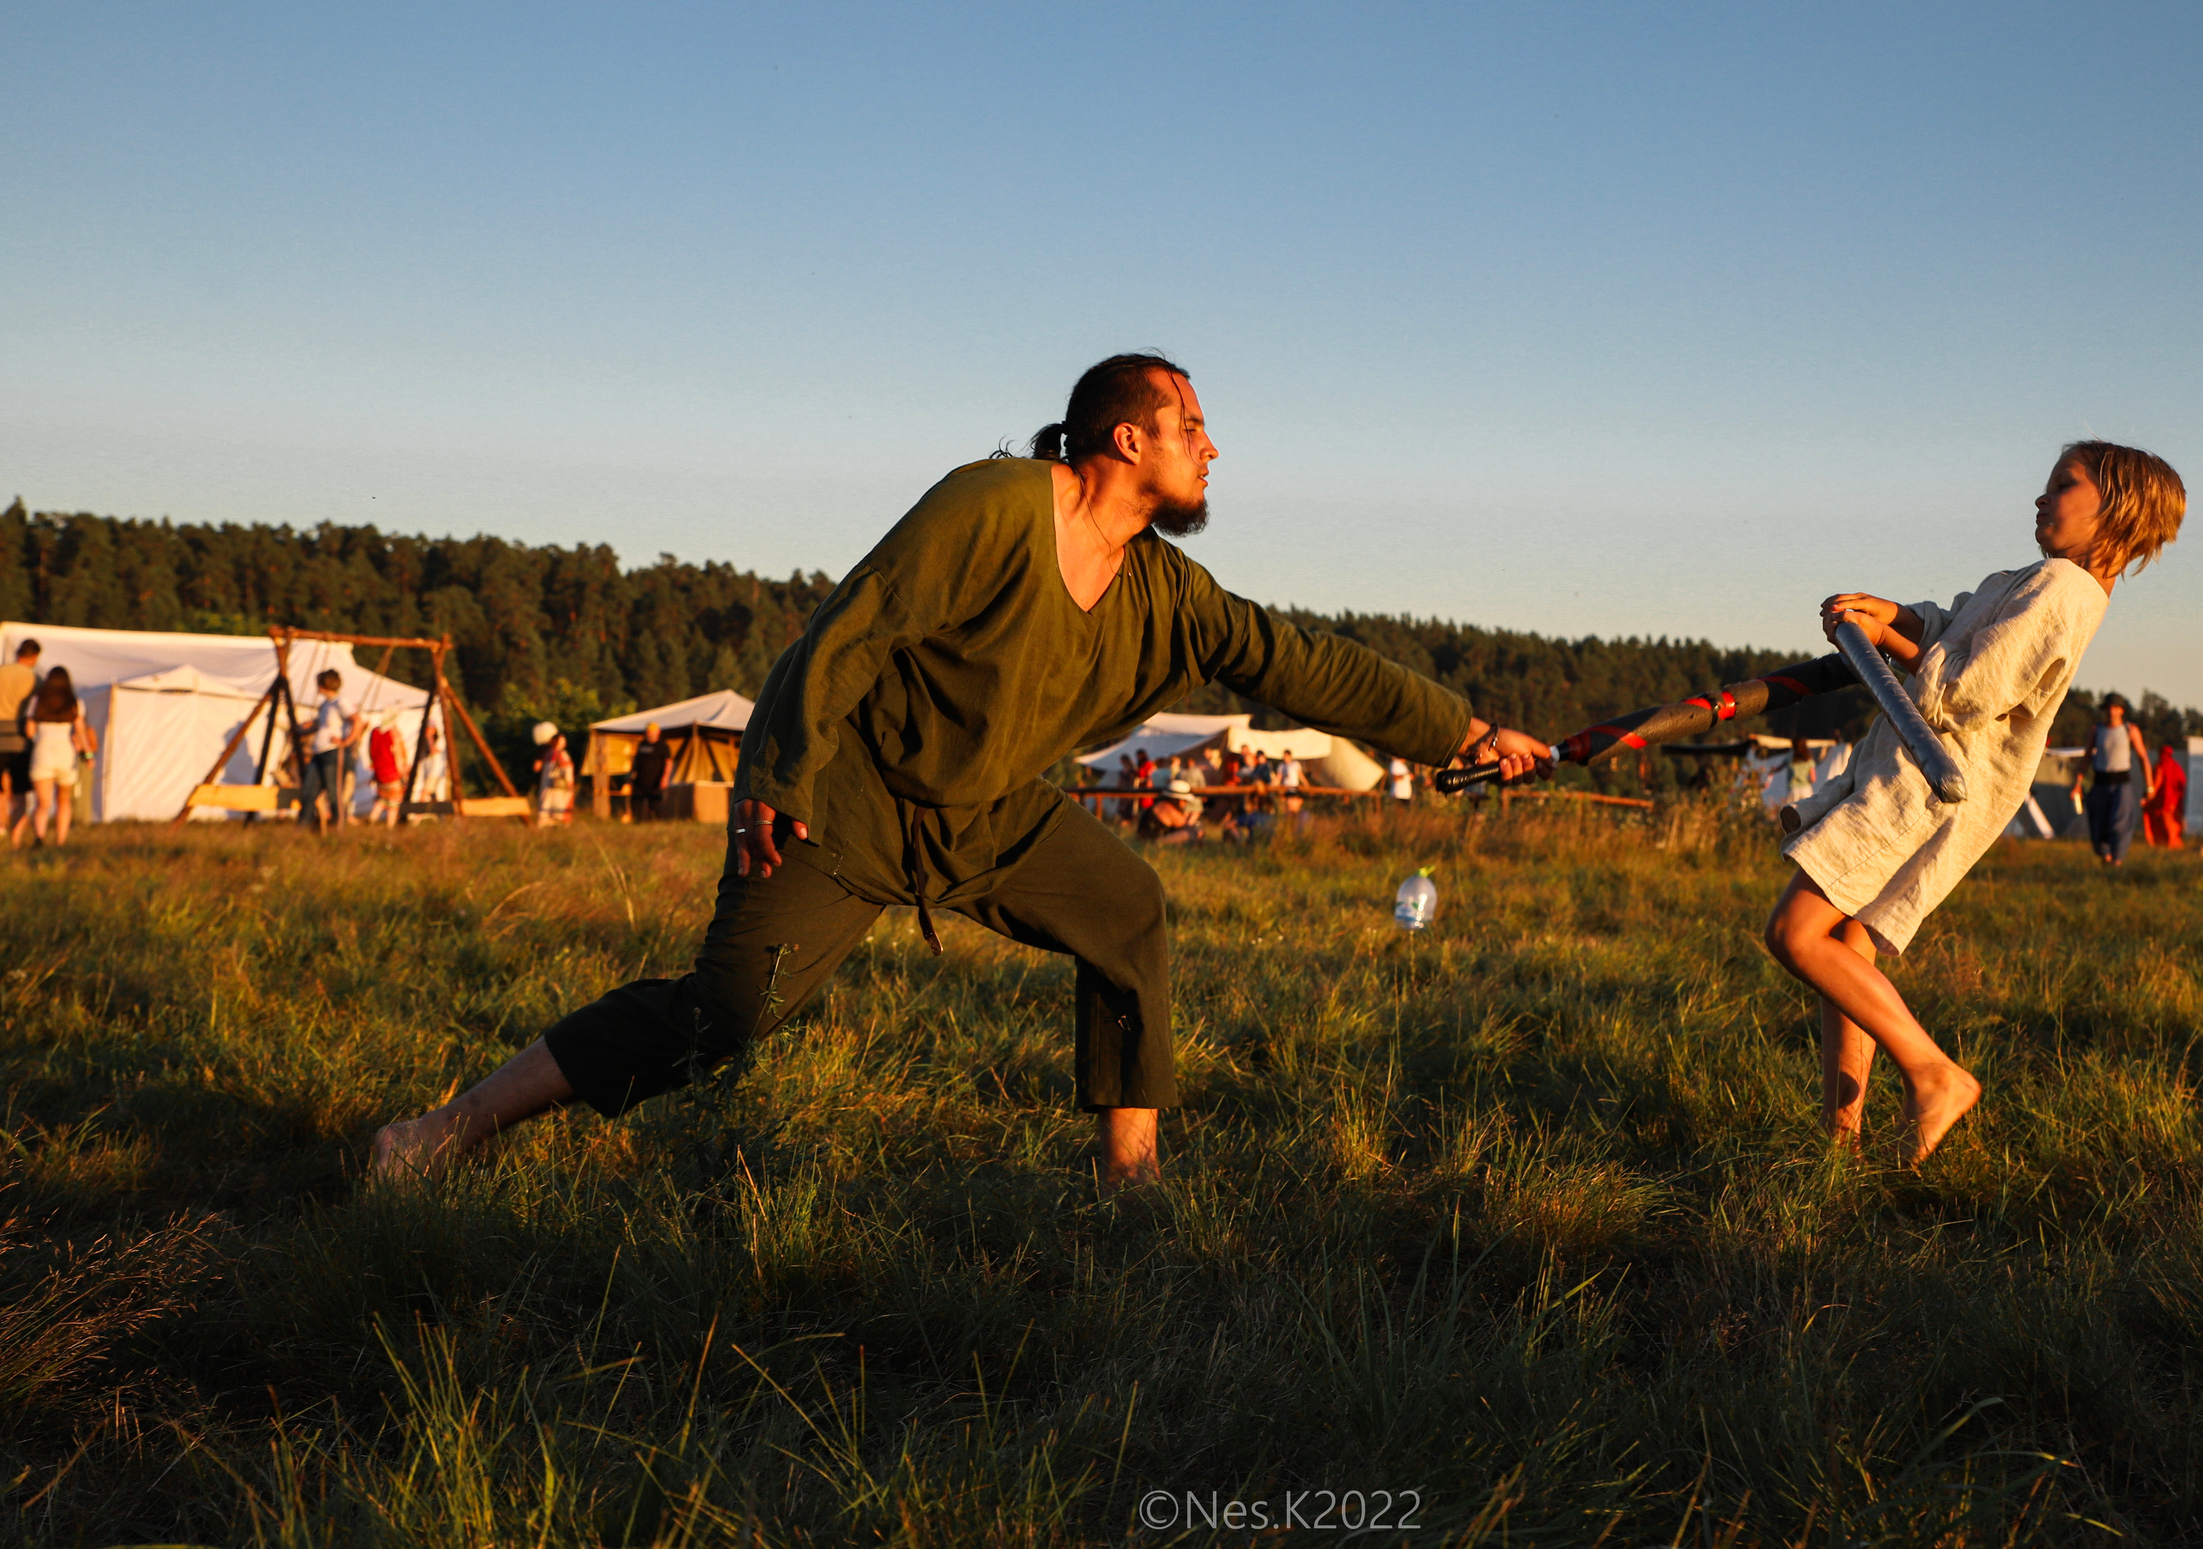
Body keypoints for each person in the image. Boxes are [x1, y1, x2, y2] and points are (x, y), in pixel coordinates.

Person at [374, 352, 1551, 1187]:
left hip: (987, 818)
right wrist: (772, 779)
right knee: (722, 1019)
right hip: (847, 801)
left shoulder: (1167, 592)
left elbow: (1299, 663)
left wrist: (1459, 734)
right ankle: (440, 1133)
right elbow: (850, 629)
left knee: (1128, 909)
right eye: (1195, 427)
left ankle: (1126, 1183)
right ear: (1127, 436)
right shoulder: (990, 508)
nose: (1213, 449)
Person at [1764, 439, 2185, 1165]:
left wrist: (1880, 638)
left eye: (2063, 484)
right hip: (1931, 778)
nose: (2041, 496)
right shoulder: (2039, 579)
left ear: (2113, 507)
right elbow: (1955, 625)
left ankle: (1935, 1074)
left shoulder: (2065, 591)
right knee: (1848, 945)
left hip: (1925, 779)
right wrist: (1892, 613)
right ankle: (1841, 1141)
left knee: (1797, 933)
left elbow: (1965, 687)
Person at [17, 667, 96, 846]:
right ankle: (60, 840)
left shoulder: (37, 701)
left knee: (42, 803)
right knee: (63, 800)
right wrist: (88, 755)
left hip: (43, 751)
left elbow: (29, 732)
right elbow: (81, 732)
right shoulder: (75, 703)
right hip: (65, 753)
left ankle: (39, 837)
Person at [2076, 694, 2152, 866]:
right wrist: (2077, 783)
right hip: (2100, 783)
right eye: (2109, 707)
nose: (2112, 711)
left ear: (2122, 710)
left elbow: (2143, 758)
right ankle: (2106, 857)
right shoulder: (2097, 730)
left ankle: (2117, 861)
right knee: (2098, 824)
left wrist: (2149, 787)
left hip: (2121, 784)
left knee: (2119, 825)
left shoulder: (2130, 730)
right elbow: (2086, 757)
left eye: (2115, 707)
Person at [297, 669, 354, 830]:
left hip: (333, 752)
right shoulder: (326, 704)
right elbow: (320, 725)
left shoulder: (341, 702)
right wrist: (302, 729)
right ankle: (302, 830)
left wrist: (346, 741)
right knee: (308, 791)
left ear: (323, 684)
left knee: (333, 792)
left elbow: (357, 720)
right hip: (319, 752)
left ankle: (338, 828)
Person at [0, 640, 40, 846]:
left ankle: (0, 829)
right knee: (20, 793)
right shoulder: (34, 679)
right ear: (34, 657)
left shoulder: (1, 671)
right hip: (20, 741)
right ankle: (15, 840)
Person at [2143, 742, 2187, 848]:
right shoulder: (2177, 767)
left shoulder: (2160, 767)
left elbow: (2156, 785)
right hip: (2175, 804)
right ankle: (2175, 847)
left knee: (2164, 827)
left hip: (2163, 803)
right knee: (2174, 827)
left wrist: (2147, 798)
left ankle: (2167, 846)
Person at [532, 722, 577, 825]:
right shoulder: (556, 753)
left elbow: (537, 768)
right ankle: (553, 820)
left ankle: (549, 820)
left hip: (552, 784)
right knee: (555, 803)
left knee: (549, 803)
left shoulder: (546, 752)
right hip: (558, 784)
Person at [367, 715, 409, 824]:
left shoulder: (375, 732)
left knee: (382, 799)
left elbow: (372, 752)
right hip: (392, 772)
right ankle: (390, 828)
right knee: (394, 802)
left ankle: (371, 822)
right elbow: (397, 756)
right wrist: (403, 773)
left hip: (379, 772)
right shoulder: (392, 734)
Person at [628, 722, 673, 822]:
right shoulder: (642, 744)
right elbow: (636, 760)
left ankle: (660, 824)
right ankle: (638, 823)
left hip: (655, 781)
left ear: (658, 732)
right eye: (648, 731)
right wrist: (631, 775)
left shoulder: (663, 746)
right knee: (636, 801)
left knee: (656, 804)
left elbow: (669, 763)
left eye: (651, 731)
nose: (649, 733)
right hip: (640, 780)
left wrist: (665, 778)